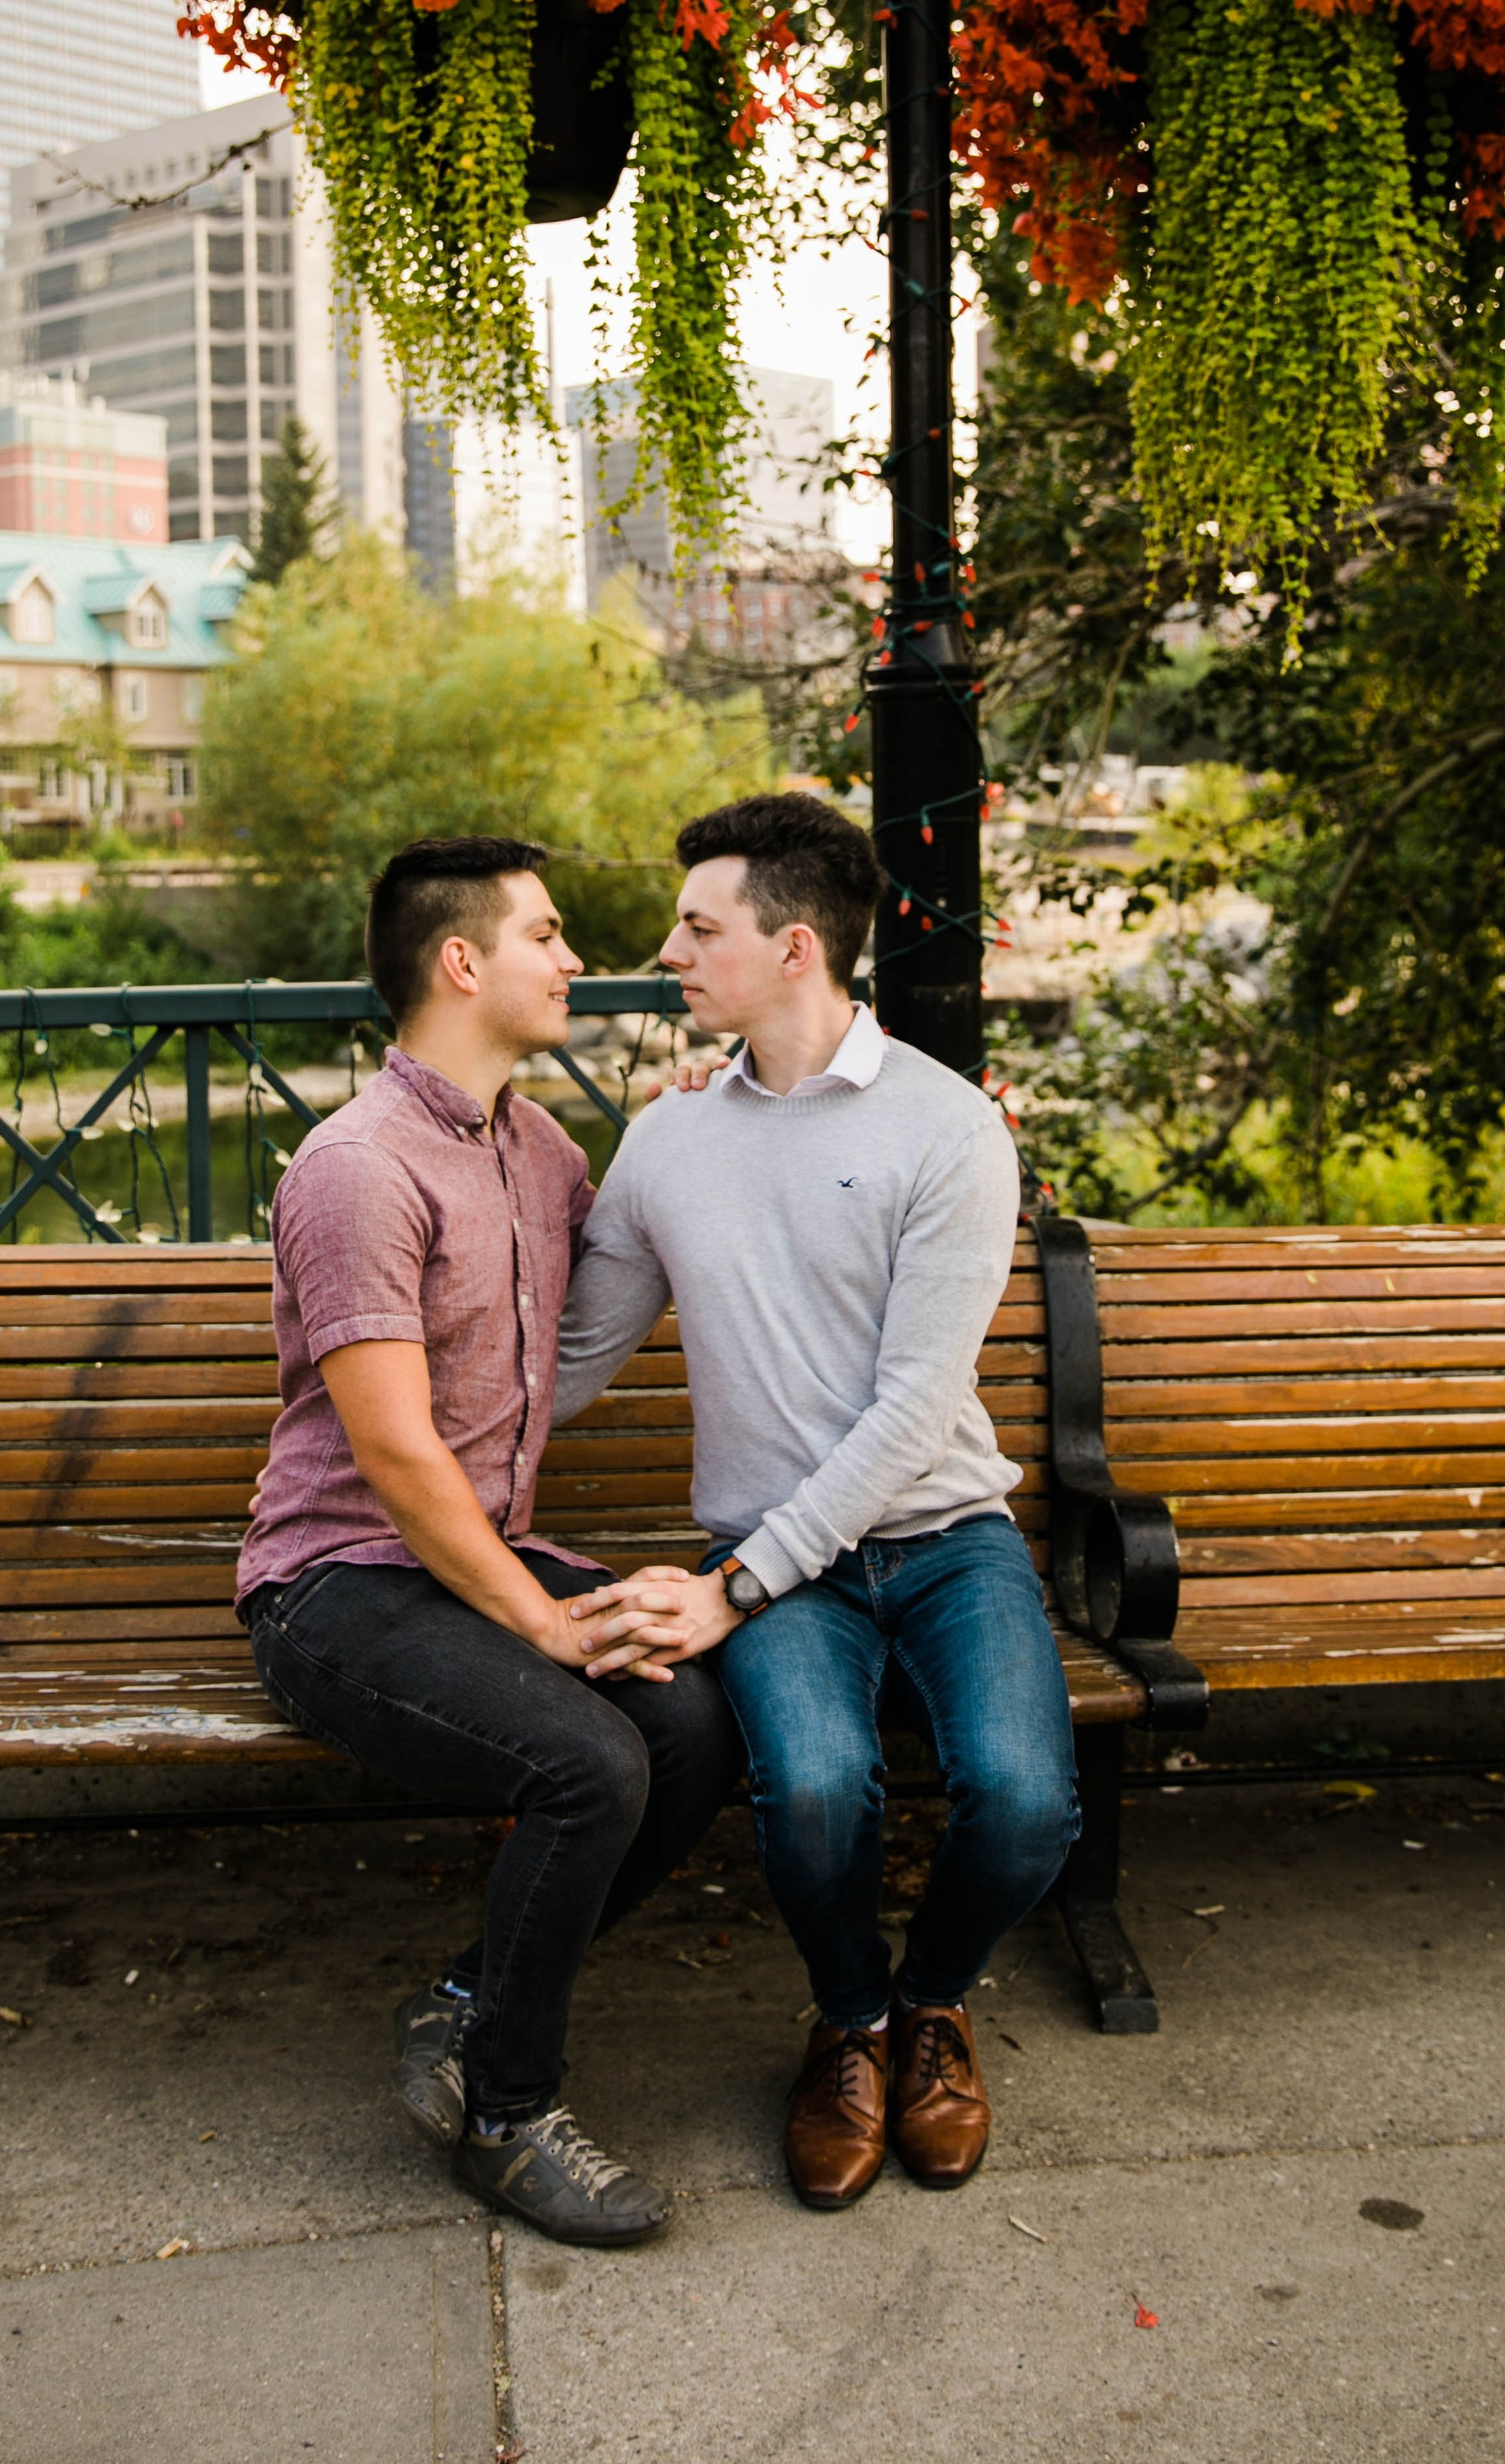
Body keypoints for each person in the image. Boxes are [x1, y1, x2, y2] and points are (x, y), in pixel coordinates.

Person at [553, 791, 1080, 2210]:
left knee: (1027, 1800)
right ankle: (849, 2022)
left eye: (697, 926)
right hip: (776, 1557)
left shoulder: (950, 1128)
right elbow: (579, 1358)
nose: (668, 950)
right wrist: (396, 1453)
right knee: (816, 1797)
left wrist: (733, 1589)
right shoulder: (669, 1140)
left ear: (794, 949)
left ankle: (936, 2006)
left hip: (945, 1540)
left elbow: (916, 1412)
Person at [237, 836, 740, 2251]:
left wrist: (689, 1121)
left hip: (474, 1561)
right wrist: (547, 1622)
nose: (576, 959)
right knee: (586, 1759)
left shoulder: (539, 1149)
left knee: (701, 1723)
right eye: (549, 933)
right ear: (464, 963)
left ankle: (464, 2007)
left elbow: (611, 1289)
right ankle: (511, 2115)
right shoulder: (356, 1167)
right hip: (337, 1585)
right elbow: (394, 1453)